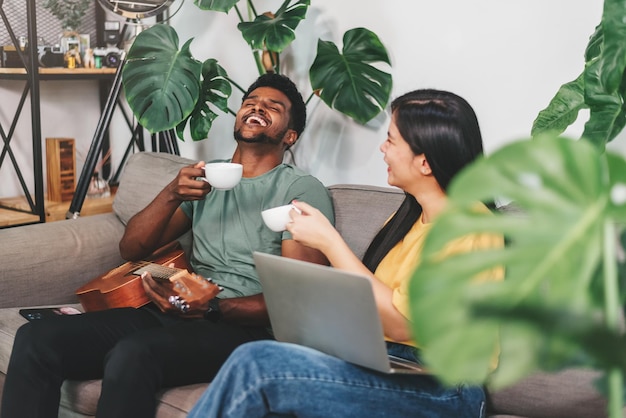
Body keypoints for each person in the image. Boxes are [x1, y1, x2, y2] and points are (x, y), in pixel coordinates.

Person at [0, 73, 334, 418]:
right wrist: (172, 192)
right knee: (36, 339)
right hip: (177, 311)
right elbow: (131, 248)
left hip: (245, 330)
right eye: (251, 101)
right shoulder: (205, 178)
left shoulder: (301, 190)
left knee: (133, 353)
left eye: (273, 107)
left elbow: (296, 301)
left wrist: (213, 309)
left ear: (290, 135)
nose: (257, 106)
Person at [188, 89, 503, 418]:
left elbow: (405, 327)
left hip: (446, 388)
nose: (382, 148)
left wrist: (330, 243)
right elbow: (376, 310)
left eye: (391, 140)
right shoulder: (408, 220)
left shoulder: (470, 226)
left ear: (424, 161)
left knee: (256, 364)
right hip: (389, 363)